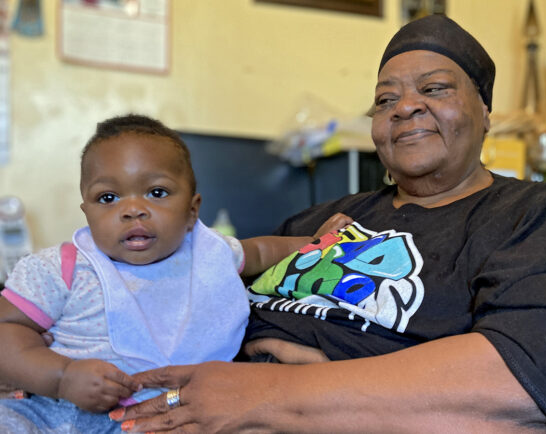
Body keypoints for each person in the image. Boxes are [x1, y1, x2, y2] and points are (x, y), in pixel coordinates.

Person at [115, 15, 546, 433]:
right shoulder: (317, 219)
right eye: (385, 98)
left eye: (436, 88)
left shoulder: (539, 216)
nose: (405, 107)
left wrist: (277, 395)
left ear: (485, 111)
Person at [0, 114, 351, 433]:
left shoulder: (210, 256)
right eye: (108, 198)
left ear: (192, 211)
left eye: (156, 192)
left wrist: (314, 242)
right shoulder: (62, 269)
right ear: (86, 211)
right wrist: (60, 377)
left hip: (157, 421)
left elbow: (260, 252)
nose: (132, 209)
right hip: (50, 413)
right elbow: (6, 332)